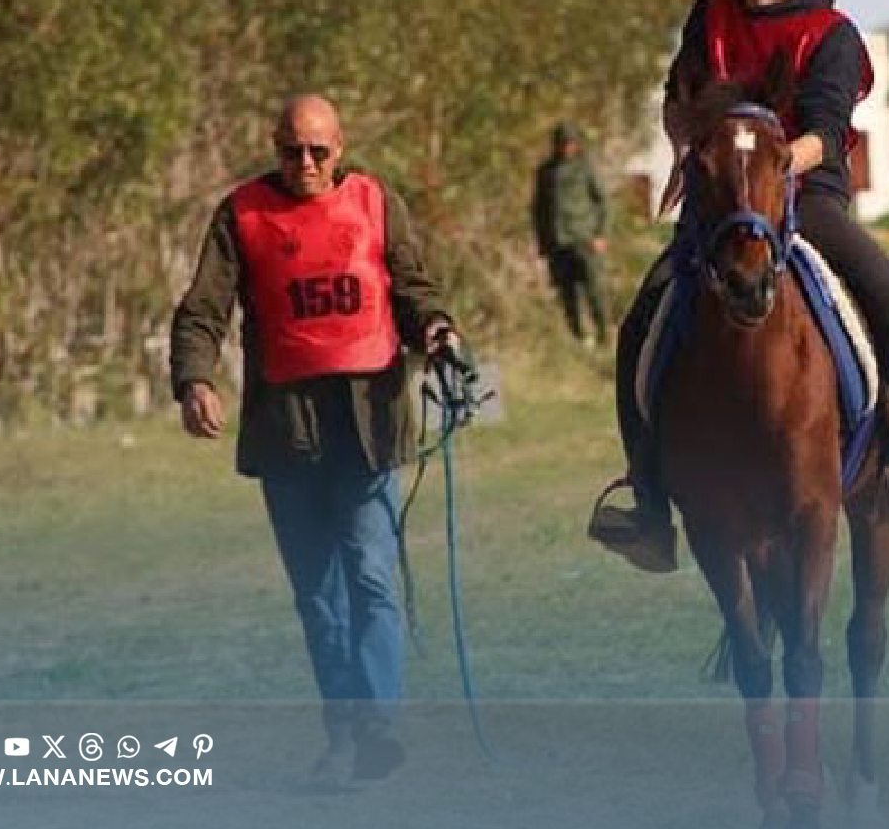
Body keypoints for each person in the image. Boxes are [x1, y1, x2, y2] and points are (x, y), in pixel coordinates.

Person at [588, 0, 889, 574]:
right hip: (718, 205)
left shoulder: (832, 36)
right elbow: (679, 96)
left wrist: (778, 168)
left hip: (804, 198)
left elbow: (827, 130)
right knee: (641, 320)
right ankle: (649, 500)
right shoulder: (708, 17)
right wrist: (685, 148)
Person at [169, 95, 463, 787]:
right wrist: (195, 381)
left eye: (318, 151)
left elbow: (414, 288)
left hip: (368, 421)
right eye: (290, 150)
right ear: (274, 148)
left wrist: (438, 329)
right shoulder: (240, 214)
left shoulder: (375, 202)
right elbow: (202, 309)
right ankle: (344, 732)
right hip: (285, 428)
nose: (304, 163)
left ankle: (377, 722)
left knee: (371, 576)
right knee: (321, 596)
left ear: (340, 147)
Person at [530, 122, 609, 348]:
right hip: (558, 242)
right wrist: (541, 243)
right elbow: (538, 210)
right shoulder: (545, 172)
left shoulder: (585, 168)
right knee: (567, 294)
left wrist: (600, 234)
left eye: (570, 143)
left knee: (594, 290)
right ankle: (578, 337)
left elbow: (602, 202)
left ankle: (604, 338)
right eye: (562, 144)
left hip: (584, 239)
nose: (566, 148)